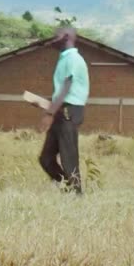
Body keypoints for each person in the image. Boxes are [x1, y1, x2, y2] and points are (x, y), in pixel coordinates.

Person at [38, 27, 89, 194]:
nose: (52, 39)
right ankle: (68, 188)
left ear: (66, 37)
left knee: (69, 157)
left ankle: (76, 194)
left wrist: (49, 113)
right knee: (46, 159)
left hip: (70, 111)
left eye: (56, 36)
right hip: (61, 110)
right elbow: (60, 89)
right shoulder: (64, 58)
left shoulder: (73, 58)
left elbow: (67, 86)